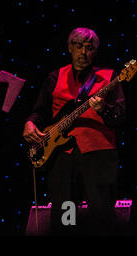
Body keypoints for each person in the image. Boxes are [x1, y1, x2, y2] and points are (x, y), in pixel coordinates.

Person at [23, 27, 126, 235]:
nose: (83, 52)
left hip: (98, 154)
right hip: (62, 156)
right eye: (78, 47)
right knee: (64, 215)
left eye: (89, 48)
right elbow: (39, 112)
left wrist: (103, 108)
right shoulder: (54, 77)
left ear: (95, 51)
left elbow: (121, 116)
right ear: (69, 48)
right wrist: (30, 123)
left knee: (101, 216)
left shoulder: (109, 77)